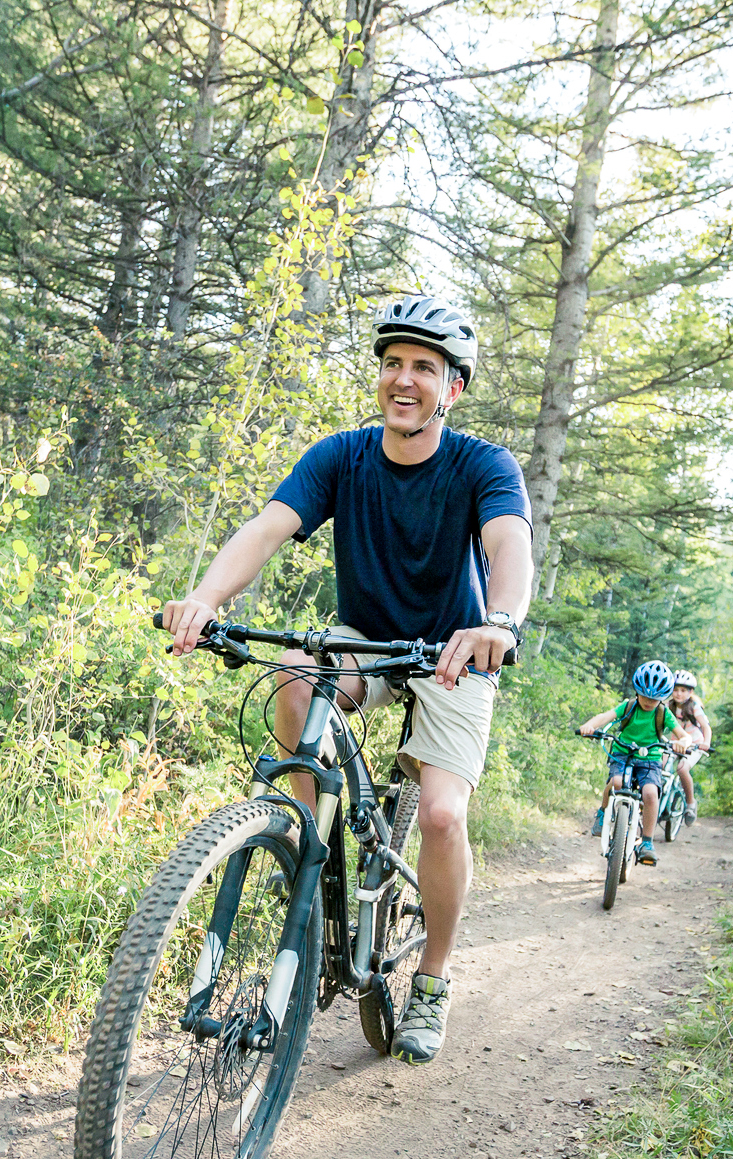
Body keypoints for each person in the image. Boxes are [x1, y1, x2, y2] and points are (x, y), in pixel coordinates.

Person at [159, 294, 533, 1066]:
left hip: (453, 651)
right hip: (365, 639)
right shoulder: (342, 457)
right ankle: (308, 843)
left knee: (437, 815)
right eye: (392, 364)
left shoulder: (482, 466)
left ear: (451, 388)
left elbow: (507, 544)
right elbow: (267, 527)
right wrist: (204, 597)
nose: (404, 380)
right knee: (295, 671)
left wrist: (499, 620)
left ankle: (431, 979)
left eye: (423, 368)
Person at [577, 661, 679, 867]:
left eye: (654, 698)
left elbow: (682, 734)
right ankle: (603, 812)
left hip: (650, 759)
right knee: (616, 782)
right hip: (623, 753)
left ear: (662, 699)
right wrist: (589, 726)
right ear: (637, 691)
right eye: (645, 696)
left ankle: (647, 843)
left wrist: (683, 743)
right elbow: (605, 717)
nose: (649, 702)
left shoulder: (663, 714)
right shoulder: (629, 706)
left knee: (650, 793)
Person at [668, 669, 711, 825]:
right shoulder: (669, 705)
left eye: (683, 690)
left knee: (682, 768)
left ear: (690, 692)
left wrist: (706, 743)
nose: (679, 694)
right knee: (659, 764)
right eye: (676, 690)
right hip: (675, 744)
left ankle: (691, 803)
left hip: (694, 744)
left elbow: (706, 727)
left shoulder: (694, 706)